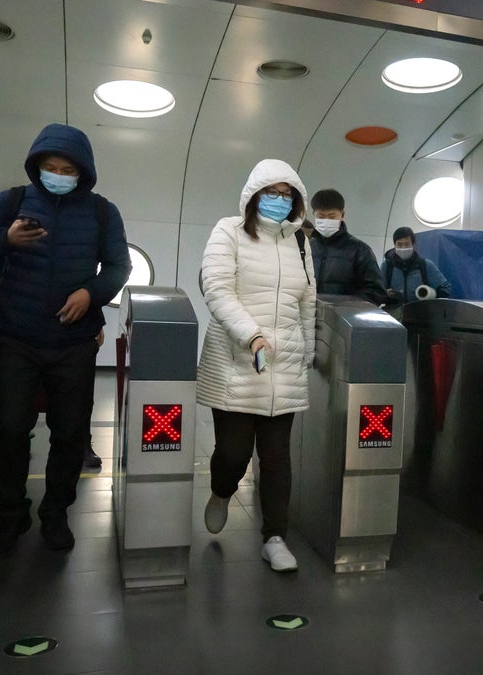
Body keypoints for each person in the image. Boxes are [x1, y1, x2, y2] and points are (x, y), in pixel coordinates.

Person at [0, 124, 131, 559]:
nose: (57, 174)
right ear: (37, 167)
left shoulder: (102, 212)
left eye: (66, 168)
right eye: (49, 167)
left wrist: (91, 293)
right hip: (17, 337)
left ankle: (56, 514)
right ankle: (12, 514)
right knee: (11, 429)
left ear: (82, 172)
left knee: (70, 433)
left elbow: (119, 266)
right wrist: (5, 239)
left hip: (74, 342)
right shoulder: (10, 201)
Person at [198, 159, 315, 573]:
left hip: (283, 365)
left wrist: (308, 352)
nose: (280, 200)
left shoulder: (300, 242)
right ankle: (221, 490)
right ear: (253, 194)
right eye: (273, 192)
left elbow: (306, 301)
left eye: (288, 195)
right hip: (236, 359)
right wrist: (252, 335)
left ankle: (275, 538)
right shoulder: (228, 230)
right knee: (233, 452)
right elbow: (216, 287)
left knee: (277, 457)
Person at [307, 188, 385, 305]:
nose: (326, 220)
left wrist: (345, 304)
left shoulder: (360, 250)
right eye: (321, 217)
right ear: (313, 215)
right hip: (308, 316)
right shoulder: (307, 247)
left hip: (344, 317)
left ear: (342, 215)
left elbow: (377, 291)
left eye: (332, 216)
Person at [379, 226, 451, 305]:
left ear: (413, 244)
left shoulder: (425, 265)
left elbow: (446, 288)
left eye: (407, 244)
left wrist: (431, 294)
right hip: (393, 314)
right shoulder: (387, 267)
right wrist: (385, 294)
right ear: (394, 245)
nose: (403, 248)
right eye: (399, 245)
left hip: (420, 313)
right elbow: (375, 291)